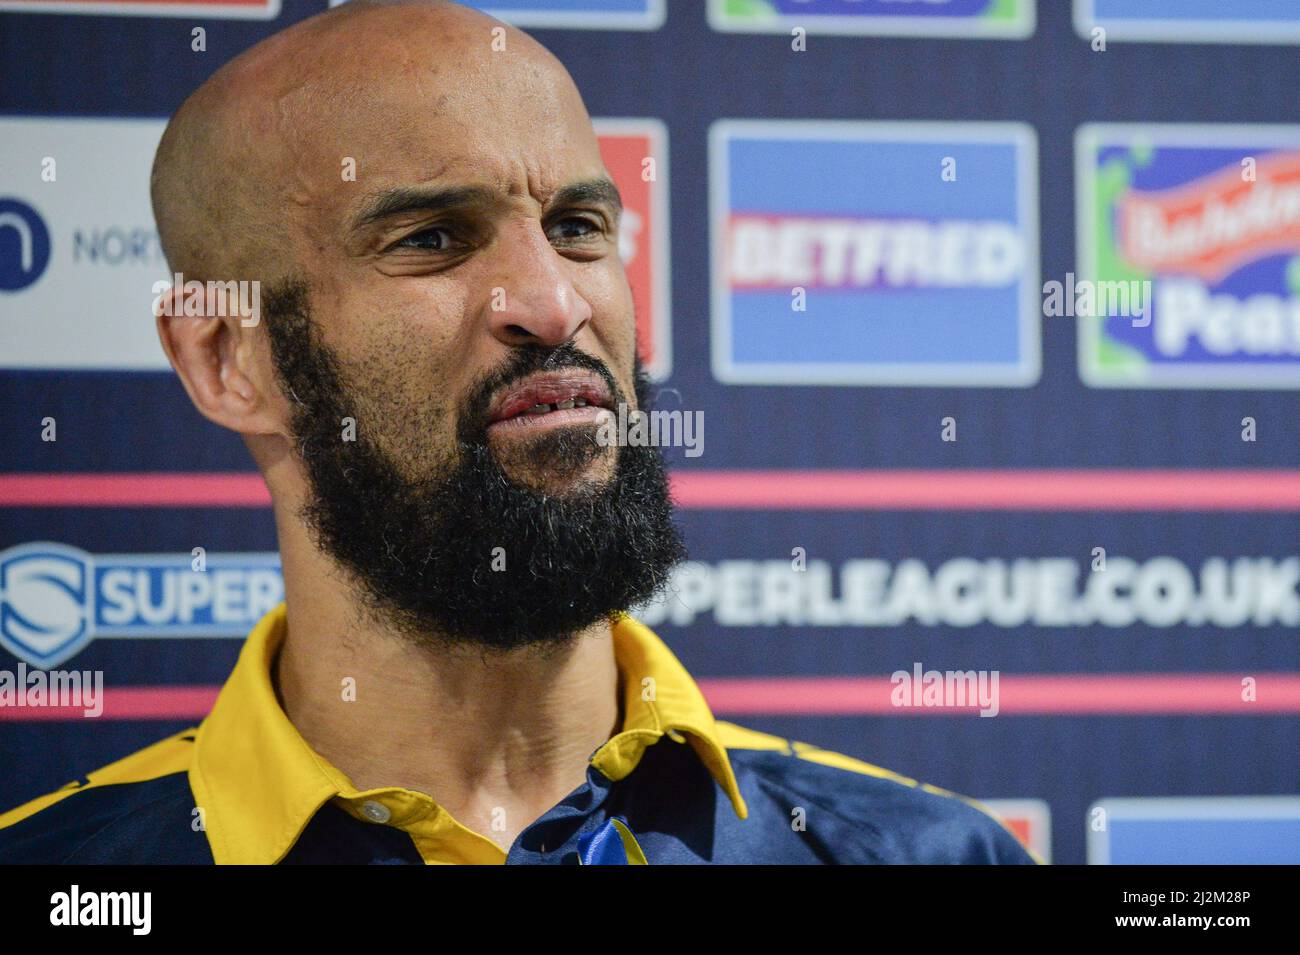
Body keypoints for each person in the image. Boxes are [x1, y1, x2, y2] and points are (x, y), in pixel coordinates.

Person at [0, 0, 1036, 865]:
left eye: (578, 229)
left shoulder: (924, 853)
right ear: (228, 357)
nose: (550, 303)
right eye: (432, 239)